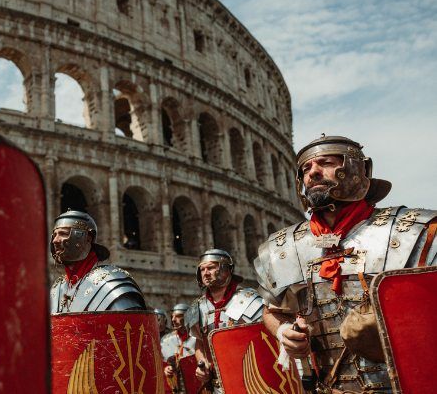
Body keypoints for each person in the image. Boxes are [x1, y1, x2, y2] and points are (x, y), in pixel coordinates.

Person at [255, 135, 437, 393]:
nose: (313, 172)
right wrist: (284, 331)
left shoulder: (414, 232)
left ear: (357, 169)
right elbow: (272, 310)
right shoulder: (283, 248)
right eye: (306, 169)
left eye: (326, 163)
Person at [190, 249, 263, 392]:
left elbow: (265, 341)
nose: (205, 273)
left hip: (249, 382)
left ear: (225, 269)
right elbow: (199, 342)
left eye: (211, 267)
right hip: (216, 386)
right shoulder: (197, 307)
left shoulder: (248, 299)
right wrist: (202, 363)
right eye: (202, 269)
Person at [49, 210, 145, 313]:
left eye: (63, 233)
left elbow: (127, 326)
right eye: (54, 235)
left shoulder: (112, 284)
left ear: (88, 238)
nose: (55, 240)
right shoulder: (57, 289)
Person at [161, 303, 196, 391]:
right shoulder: (166, 340)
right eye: (172, 316)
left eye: (178, 316)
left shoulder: (197, 339)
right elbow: (161, 365)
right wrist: (166, 369)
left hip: (195, 386)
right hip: (176, 388)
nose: (173, 320)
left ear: (188, 317)